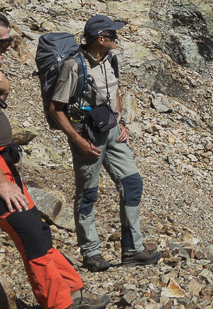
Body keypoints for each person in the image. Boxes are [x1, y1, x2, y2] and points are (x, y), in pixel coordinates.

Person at [0, 9, 108, 309]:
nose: (9, 48)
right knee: (30, 235)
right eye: (3, 43)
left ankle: (72, 291)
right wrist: (1, 183)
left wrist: (1, 91)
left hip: (3, 165)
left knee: (37, 227)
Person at [49, 14, 162, 270]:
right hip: (87, 136)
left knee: (132, 183)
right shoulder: (73, 66)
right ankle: (91, 253)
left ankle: (133, 250)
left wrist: (121, 122)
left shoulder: (110, 59)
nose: (116, 39)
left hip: (112, 130)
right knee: (88, 193)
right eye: (112, 35)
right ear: (100, 39)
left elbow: (115, 90)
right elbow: (56, 109)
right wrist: (77, 141)